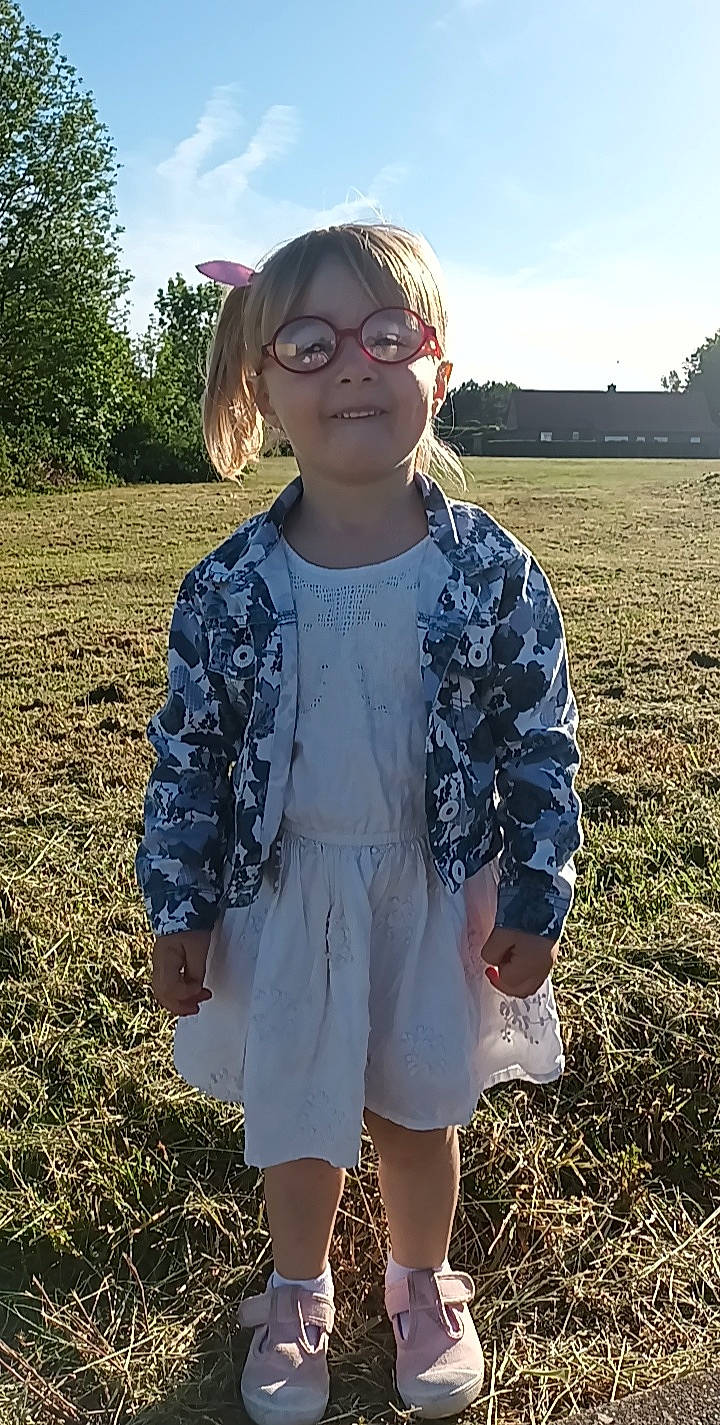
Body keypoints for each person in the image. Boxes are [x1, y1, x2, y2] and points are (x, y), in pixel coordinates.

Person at [135, 222, 583, 1425]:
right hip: (283, 895)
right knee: (299, 1108)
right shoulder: (228, 584)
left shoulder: (490, 569)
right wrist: (177, 908)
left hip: (430, 889)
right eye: (311, 341)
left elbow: (541, 741)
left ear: (439, 366)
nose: (353, 365)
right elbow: (188, 754)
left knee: (415, 1101)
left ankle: (423, 1284)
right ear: (261, 382)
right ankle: (297, 1293)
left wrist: (537, 895)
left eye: (390, 335)